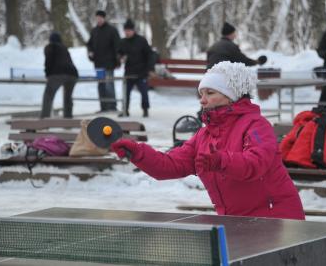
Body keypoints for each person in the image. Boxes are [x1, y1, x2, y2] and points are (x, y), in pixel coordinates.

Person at [111, 61, 305, 220]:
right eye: (201, 94)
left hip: (278, 221)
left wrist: (221, 161)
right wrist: (137, 152)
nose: (202, 100)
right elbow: (169, 165)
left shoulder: (256, 125)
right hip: (237, 222)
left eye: (210, 93)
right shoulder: (204, 136)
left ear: (232, 96)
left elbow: (256, 164)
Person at [118, 19, 155, 118]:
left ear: (133, 30)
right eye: (125, 30)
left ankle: (145, 109)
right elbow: (119, 54)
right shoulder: (122, 42)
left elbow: (150, 54)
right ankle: (125, 110)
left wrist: (150, 69)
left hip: (141, 71)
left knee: (144, 92)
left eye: (129, 30)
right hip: (129, 71)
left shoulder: (141, 40)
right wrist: (121, 58)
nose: (127, 32)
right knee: (126, 92)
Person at [87, 10, 121, 112]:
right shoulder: (94, 31)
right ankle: (103, 106)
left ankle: (112, 106)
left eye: (100, 18)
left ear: (104, 18)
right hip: (98, 64)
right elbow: (89, 44)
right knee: (101, 84)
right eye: (97, 18)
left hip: (109, 64)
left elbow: (117, 46)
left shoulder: (112, 30)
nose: (99, 20)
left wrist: (117, 60)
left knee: (109, 84)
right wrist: (90, 52)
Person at [41, 32, 78, 118]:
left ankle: (44, 119)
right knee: (68, 97)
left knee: (48, 95)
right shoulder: (64, 48)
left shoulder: (50, 47)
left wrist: (48, 74)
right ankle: (68, 118)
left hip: (58, 74)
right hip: (73, 74)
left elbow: (48, 62)